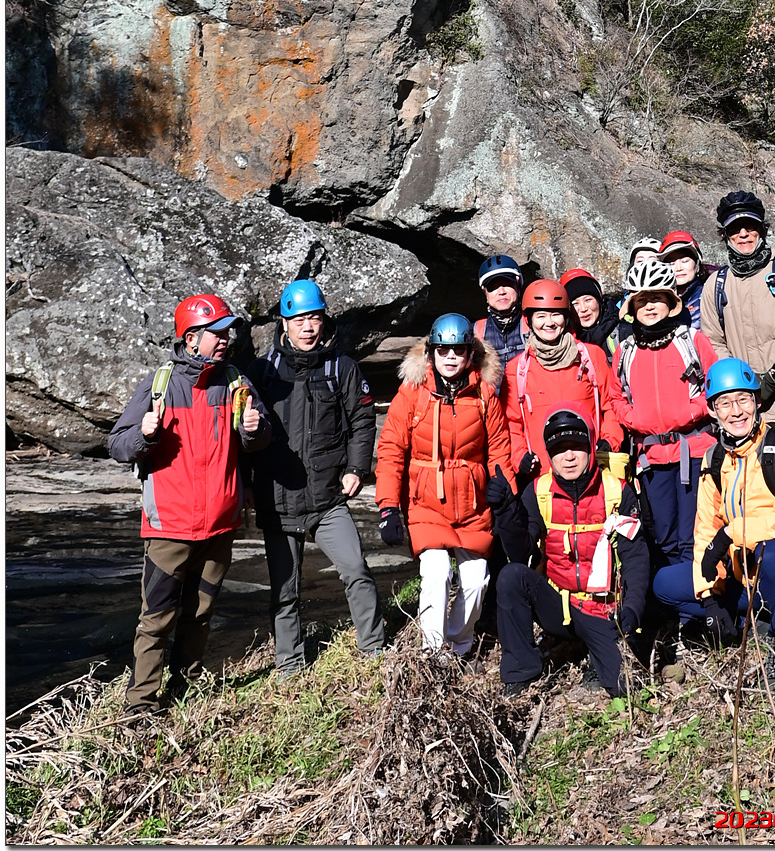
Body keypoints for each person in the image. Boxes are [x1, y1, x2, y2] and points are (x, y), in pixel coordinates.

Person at [108, 292, 270, 717]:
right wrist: (145, 433)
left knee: (200, 614)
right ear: (192, 336)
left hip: (219, 526)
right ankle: (140, 705)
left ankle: (185, 692)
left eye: (228, 331)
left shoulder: (235, 381)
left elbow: (260, 437)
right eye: (218, 332)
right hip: (169, 529)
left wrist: (255, 429)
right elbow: (118, 445)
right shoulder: (159, 384)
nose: (226, 339)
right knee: (157, 619)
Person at [250, 279, 386, 680]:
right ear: (285, 323)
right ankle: (289, 669)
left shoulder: (341, 367)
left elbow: (363, 421)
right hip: (277, 500)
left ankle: (374, 652)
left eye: (314, 318)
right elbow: (240, 430)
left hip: (328, 500)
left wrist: (357, 469)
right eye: (299, 319)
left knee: (357, 570)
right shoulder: (262, 371)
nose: (308, 327)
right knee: (284, 591)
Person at [658, 359, 775, 674]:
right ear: (712, 411)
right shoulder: (715, 458)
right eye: (724, 403)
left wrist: (730, 534)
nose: (736, 411)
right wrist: (709, 600)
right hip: (744, 575)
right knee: (665, 583)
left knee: (773, 552)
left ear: (758, 401)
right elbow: (705, 531)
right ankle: (745, 620)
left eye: (743, 399)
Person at [375, 313, 514, 656]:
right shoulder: (412, 393)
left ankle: (459, 645)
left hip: (472, 503)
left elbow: (498, 449)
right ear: (431, 353)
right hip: (426, 502)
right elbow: (392, 450)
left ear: (470, 354)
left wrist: (503, 491)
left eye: (458, 351)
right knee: (437, 574)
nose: (451, 357)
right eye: (443, 351)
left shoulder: (483, 395)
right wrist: (389, 508)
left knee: (477, 579)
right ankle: (432, 654)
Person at [488, 408, 649, 697]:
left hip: (604, 610)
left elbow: (635, 556)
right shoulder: (539, 491)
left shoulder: (618, 492)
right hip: (557, 607)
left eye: (576, 447)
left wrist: (633, 610)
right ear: (549, 455)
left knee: (625, 689)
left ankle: (597, 658)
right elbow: (520, 552)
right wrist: (504, 512)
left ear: (590, 447)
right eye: (559, 450)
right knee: (511, 577)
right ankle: (521, 672)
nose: (569, 457)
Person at [609, 257, 717, 594]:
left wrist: (689, 412)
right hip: (652, 456)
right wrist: (635, 420)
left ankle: (697, 611)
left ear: (671, 302)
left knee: (693, 534)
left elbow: (715, 389)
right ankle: (679, 602)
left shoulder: (692, 342)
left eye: (656, 298)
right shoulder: (625, 351)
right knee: (666, 536)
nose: (650, 306)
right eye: (642, 300)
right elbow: (616, 398)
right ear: (633, 307)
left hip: (694, 450)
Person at [700, 191, 775, 427]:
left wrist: (774, 377)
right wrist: (741, 383)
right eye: (735, 228)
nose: (744, 233)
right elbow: (712, 342)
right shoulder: (714, 285)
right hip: (739, 418)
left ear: (763, 230)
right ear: (726, 235)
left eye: (750, 225)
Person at [502, 279, 623, 480]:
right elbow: (512, 422)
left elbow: (610, 404)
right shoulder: (517, 369)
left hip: (592, 471)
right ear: (528, 320)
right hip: (541, 477)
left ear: (566, 318)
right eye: (541, 316)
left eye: (556, 314)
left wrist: (609, 441)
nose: (549, 322)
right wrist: (519, 456)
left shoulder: (591, 357)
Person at [474, 254, 526, 369]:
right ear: (485, 292)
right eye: (493, 286)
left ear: (518, 285)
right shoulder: (475, 332)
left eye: (507, 284)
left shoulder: (535, 325)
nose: (501, 291)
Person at [562, 267, 620, 360]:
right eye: (575, 304)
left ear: (599, 301)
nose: (583, 309)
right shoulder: (564, 342)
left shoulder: (622, 333)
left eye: (588, 300)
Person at [658, 231, 707, 330]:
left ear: (697, 265)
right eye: (671, 263)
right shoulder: (657, 301)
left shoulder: (710, 296)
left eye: (685, 261)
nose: (678, 268)